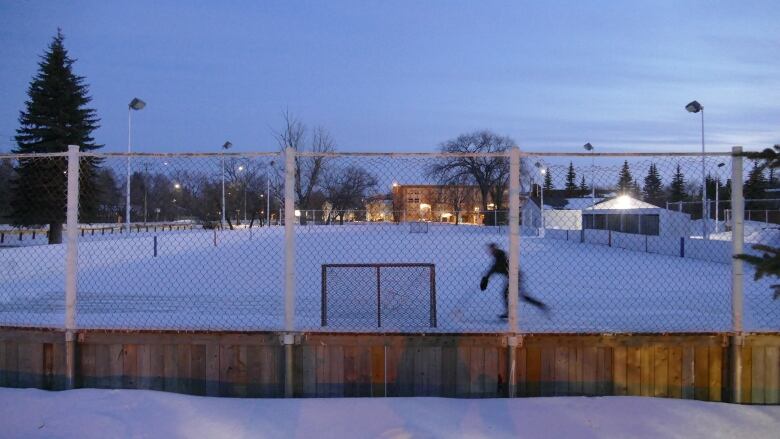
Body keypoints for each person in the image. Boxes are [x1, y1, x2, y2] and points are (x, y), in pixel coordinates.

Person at [480, 242, 549, 319]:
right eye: (489, 250)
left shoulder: (500, 256)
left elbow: (496, 267)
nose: (490, 251)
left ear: (495, 249)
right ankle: (539, 305)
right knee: (512, 294)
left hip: (516, 277)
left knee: (511, 294)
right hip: (513, 277)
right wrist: (487, 277)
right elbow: (495, 268)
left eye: (491, 249)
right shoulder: (498, 256)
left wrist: (487, 277)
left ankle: (539, 305)